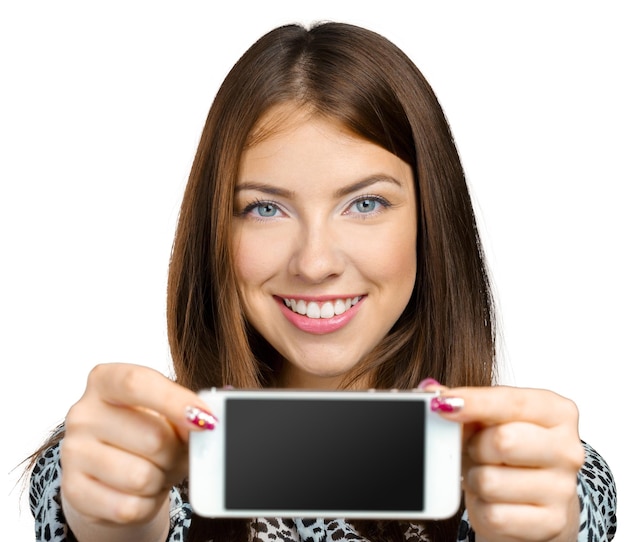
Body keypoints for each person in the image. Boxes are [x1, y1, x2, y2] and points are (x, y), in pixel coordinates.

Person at [26, 21, 617, 542]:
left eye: (364, 204)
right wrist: (117, 534)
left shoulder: (550, 478)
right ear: (215, 231)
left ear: (429, 221)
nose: (314, 263)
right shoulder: (109, 461)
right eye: (264, 208)